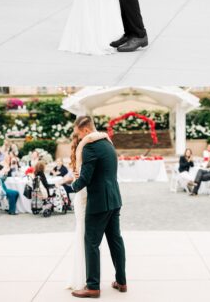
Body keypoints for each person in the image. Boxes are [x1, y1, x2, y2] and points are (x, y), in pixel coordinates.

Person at [71, 115, 126, 298]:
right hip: (114, 199)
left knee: (92, 242)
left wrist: (72, 185)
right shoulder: (108, 143)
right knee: (115, 241)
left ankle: (93, 286)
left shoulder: (90, 147)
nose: (79, 138)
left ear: (86, 130)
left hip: (99, 202)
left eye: (79, 135)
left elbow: (85, 178)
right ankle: (121, 281)